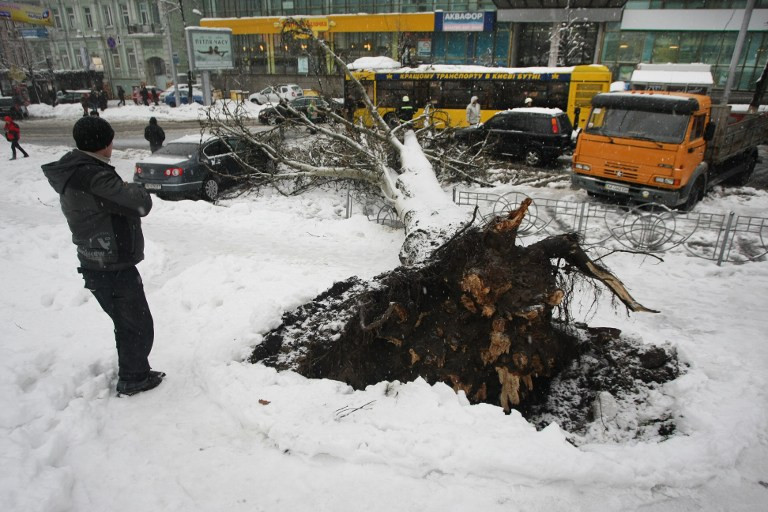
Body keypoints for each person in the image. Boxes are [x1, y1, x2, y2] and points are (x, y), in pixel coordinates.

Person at [41, 116, 164, 396]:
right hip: (111, 264)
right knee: (137, 325)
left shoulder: (78, 170)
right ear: (106, 144)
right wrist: (138, 187)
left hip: (98, 259)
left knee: (128, 323)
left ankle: (135, 371)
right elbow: (139, 203)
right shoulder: (93, 176)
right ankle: (134, 378)